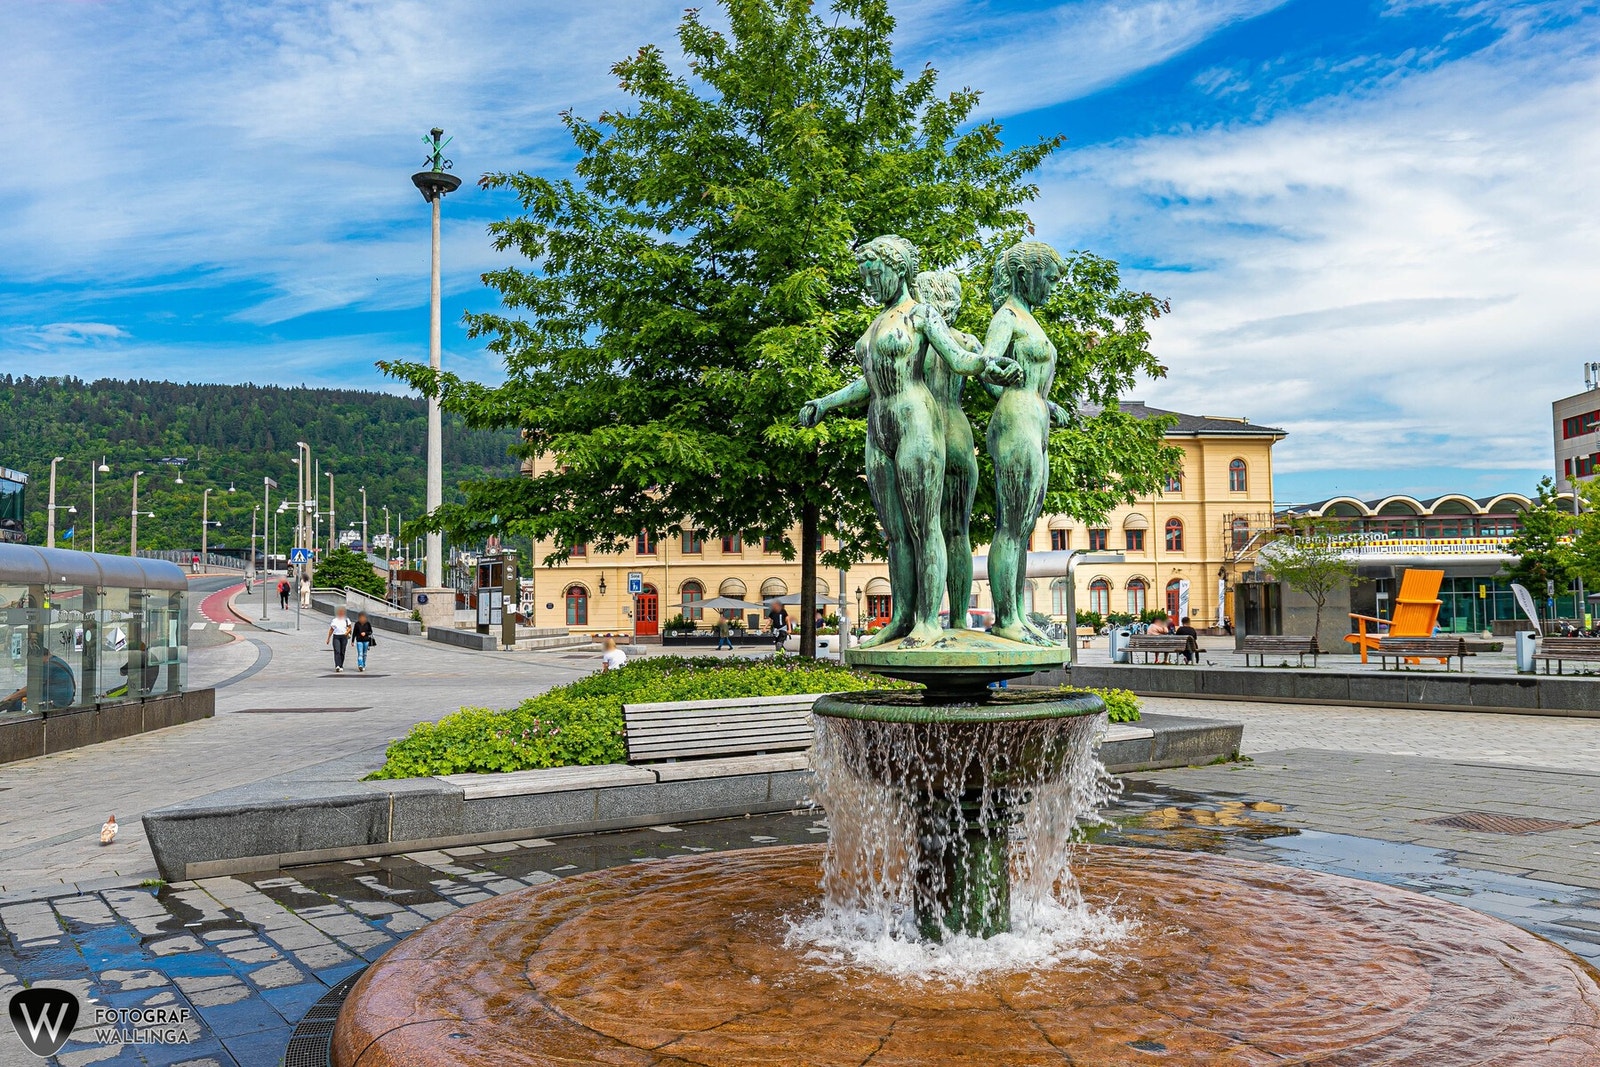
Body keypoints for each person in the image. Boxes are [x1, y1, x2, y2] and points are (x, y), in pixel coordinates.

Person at [799, 234, 1018, 648]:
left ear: (897, 268)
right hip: (878, 427)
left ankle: (928, 622)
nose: (868, 284)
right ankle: (901, 617)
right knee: (895, 532)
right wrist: (825, 403)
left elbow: (959, 358)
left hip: (917, 421)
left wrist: (991, 364)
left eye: (873, 274)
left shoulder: (921, 315)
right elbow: (866, 383)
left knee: (924, 526)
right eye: (863, 276)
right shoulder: (875, 323)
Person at [326, 607, 353, 673]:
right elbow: (331, 630)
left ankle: (341, 665)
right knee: (337, 651)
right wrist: (328, 638)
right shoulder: (334, 620)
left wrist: (347, 632)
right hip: (336, 636)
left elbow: (350, 628)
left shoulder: (346, 619)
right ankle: (337, 665)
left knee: (342, 651)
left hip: (344, 636)